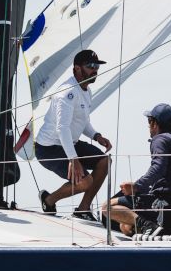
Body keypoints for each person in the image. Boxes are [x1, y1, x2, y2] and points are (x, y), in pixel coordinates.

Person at [102, 103, 171, 236]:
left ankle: (148, 226)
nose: (148, 126)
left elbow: (158, 168)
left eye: (149, 121)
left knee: (107, 207)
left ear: (154, 123)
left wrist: (136, 186)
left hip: (164, 204)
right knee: (125, 226)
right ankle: (152, 227)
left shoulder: (160, 139)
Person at [34, 48, 113, 220]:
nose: (95, 70)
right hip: (48, 148)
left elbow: (81, 121)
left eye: (97, 66)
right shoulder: (67, 93)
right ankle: (48, 200)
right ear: (77, 68)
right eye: (90, 66)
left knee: (104, 162)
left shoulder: (86, 91)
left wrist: (96, 136)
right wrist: (73, 159)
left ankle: (83, 209)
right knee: (85, 182)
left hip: (70, 143)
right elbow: (62, 128)